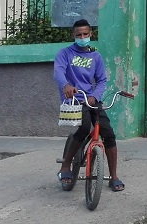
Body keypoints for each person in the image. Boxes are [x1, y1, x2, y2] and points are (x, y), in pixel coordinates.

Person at [54, 19, 125, 192]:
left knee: (108, 133)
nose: (82, 37)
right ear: (73, 35)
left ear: (91, 34)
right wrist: (66, 86)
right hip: (75, 99)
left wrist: (95, 95)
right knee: (84, 127)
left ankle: (114, 176)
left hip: (91, 99)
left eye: (85, 34)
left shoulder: (95, 56)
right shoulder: (65, 54)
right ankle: (66, 166)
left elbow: (101, 80)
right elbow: (58, 72)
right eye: (79, 35)